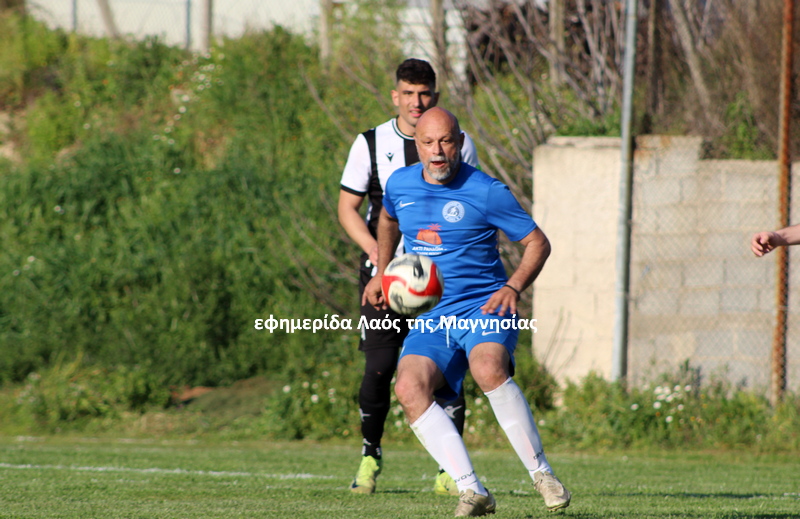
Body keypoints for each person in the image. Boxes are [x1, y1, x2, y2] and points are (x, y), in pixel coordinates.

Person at [363, 107, 571, 516]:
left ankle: (542, 474)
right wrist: (382, 272)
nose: (437, 152)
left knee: (488, 368)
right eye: (427, 143)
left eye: (445, 142)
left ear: (459, 143)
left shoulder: (486, 190)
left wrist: (513, 286)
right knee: (407, 388)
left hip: (484, 305)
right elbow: (387, 219)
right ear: (416, 146)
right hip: (433, 314)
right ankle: (472, 490)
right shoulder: (400, 183)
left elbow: (537, 243)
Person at [337, 58, 480, 496]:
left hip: (441, 277)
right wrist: (379, 263)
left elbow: (469, 202)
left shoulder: (457, 141)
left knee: (447, 371)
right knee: (380, 367)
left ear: (434, 96)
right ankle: (370, 454)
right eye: (409, 93)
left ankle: (448, 467)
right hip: (385, 276)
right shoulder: (369, 142)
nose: (417, 102)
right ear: (395, 95)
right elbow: (348, 208)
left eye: (425, 94)